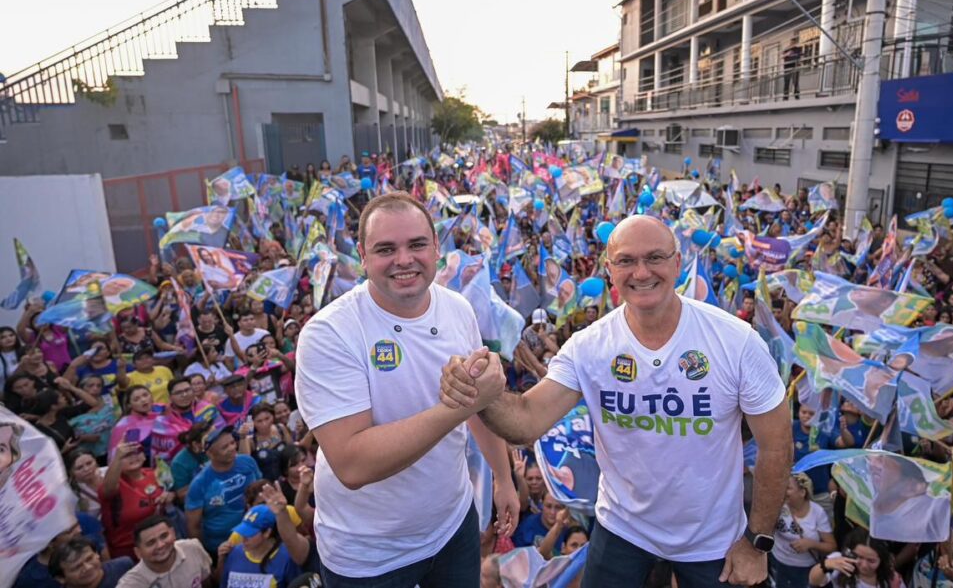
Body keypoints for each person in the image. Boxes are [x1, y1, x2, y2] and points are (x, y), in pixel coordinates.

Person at [440, 215, 792, 587]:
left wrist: (757, 543)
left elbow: (777, 446)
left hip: (712, 540)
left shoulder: (735, 340)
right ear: (610, 271)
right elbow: (526, 420)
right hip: (623, 532)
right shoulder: (589, 346)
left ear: (676, 263)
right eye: (626, 261)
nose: (641, 273)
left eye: (655, 258)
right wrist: (481, 393)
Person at [295, 192, 517, 586]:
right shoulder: (329, 333)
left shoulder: (457, 308)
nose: (404, 259)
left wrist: (502, 477)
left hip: (453, 525)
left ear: (436, 248)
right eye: (386, 249)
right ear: (362, 256)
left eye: (417, 245)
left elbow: (479, 406)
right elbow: (352, 463)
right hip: (369, 554)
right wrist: (461, 406)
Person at [185, 424, 263, 555]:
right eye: (224, 447)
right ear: (210, 454)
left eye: (232, 443)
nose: (232, 448)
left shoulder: (248, 462)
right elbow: (194, 526)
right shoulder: (200, 484)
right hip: (222, 547)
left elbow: (261, 490)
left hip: (257, 536)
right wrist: (203, 554)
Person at [100, 441, 173, 559]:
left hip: (161, 545)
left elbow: (169, 491)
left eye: (137, 452)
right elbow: (108, 489)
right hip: (129, 553)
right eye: (126, 455)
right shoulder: (114, 484)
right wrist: (118, 455)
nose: (133, 457)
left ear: (144, 456)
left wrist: (169, 497)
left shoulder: (154, 473)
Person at [769, 473, 835, 588]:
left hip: (805, 568)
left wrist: (811, 544)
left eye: (788, 488)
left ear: (802, 492)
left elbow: (831, 546)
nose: (783, 490)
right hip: (779, 563)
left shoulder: (817, 513)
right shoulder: (778, 506)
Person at [218, 505, 303, 588]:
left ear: (267, 533)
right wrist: (221, 560)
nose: (243, 538)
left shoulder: (287, 558)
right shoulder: (234, 553)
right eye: (243, 531)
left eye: (250, 533)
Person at [116, 515, 212, 588]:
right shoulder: (129, 584)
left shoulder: (192, 548)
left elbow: (207, 582)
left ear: (173, 534)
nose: (160, 545)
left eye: (164, 536)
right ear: (138, 552)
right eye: (151, 543)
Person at [48, 537, 134, 588]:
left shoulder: (124, 567)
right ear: (61, 578)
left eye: (89, 558)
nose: (88, 567)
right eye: (77, 567)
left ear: (97, 554)